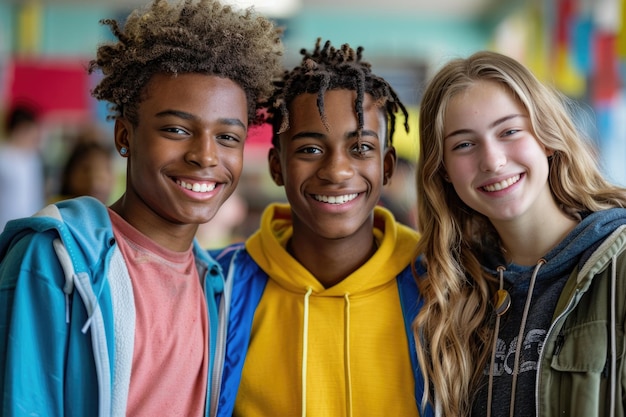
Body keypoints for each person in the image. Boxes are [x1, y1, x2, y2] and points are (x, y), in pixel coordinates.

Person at [0, 0, 283, 415]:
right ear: (124, 135)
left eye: (227, 138)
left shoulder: (215, 285)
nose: (205, 156)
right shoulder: (55, 259)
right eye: (176, 129)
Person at [211, 38, 431, 417]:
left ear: (388, 166)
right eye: (310, 149)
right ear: (277, 167)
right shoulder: (221, 287)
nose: (336, 171)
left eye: (361, 147)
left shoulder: (438, 286)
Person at [413, 50, 626, 417]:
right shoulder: (453, 290)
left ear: (546, 137)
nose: (493, 160)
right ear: (444, 169)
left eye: (509, 131)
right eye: (464, 144)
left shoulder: (618, 264)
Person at [0, 104, 45, 230]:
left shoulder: (33, 158)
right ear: (20, 129)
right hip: (4, 224)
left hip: (29, 223)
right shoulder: (3, 158)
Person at [52, 139, 116, 204]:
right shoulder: (57, 210)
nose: (94, 179)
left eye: (105, 169)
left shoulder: (111, 211)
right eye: (86, 170)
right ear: (69, 175)